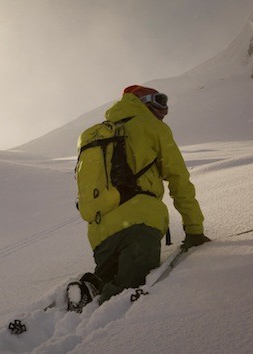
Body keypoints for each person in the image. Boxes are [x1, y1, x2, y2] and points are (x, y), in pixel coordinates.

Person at [68, 85, 210, 312]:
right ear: (145, 101)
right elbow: (179, 180)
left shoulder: (101, 133)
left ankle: (88, 291)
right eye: (161, 101)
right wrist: (194, 229)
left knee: (108, 278)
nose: (165, 110)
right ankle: (96, 318)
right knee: (129, 291)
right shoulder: (153, 127)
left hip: (100, 232)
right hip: (140, 222)